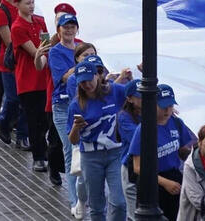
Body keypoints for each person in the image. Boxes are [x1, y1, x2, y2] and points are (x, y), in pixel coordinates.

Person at [68, 56, 131, 221]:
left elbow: (135, 101)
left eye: (89, 80)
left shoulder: (115, 91)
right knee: (96, 206)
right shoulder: (76, 104)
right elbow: (73, 140)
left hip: (115, 153)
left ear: (97, 75)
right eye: (82, 82)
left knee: (119, 202)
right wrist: (76, 127)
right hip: (90, 157)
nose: (87, 85)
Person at [128, 84, 196, 220]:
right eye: (163, 106)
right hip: (153, 182)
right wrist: (165, 182)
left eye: (170, 106)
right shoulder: (144, 129)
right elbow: (137, 167)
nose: (167, 110)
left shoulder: (176, 123)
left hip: (175, 178)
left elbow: (183, 151)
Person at [47, 13, 88, 217]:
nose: (69, 30)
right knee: (71, 151)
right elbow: (62, 77)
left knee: (84, 153)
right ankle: (75, 201)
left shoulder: (83, 46)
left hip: (83, 105)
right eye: (65, 26)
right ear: (59, 30)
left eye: (73, 26)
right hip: (63, 107)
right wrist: (83, 65)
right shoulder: (55, 52)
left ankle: (85, 196)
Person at [11, 0, 51, 172]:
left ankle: (45, 151)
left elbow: (47, 44)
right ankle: (38, 157)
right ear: (17, 5)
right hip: (28, 80)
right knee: (34, 119)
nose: (31, 6)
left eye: (33, 2)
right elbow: (36, 51)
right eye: (27, 3)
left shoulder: (40, 22)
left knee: (45, 118)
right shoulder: (18, 27)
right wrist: (46, 49)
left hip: (44, 77)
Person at [0, 0, 30, 149]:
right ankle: (3, 120)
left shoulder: (23, 7)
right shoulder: (1, 11)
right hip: (8, 62)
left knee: (25, 101)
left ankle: (23, 136)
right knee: (13, 98)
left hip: (25, 60)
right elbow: (10, 41)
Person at [118, 80, 141, 221]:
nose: (144, 98)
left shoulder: (155, 112)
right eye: (139, 96)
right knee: (134, 214)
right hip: (131, 168)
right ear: (129, 99)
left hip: (153, 168)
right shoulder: (123, 117)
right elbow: (139, 139)